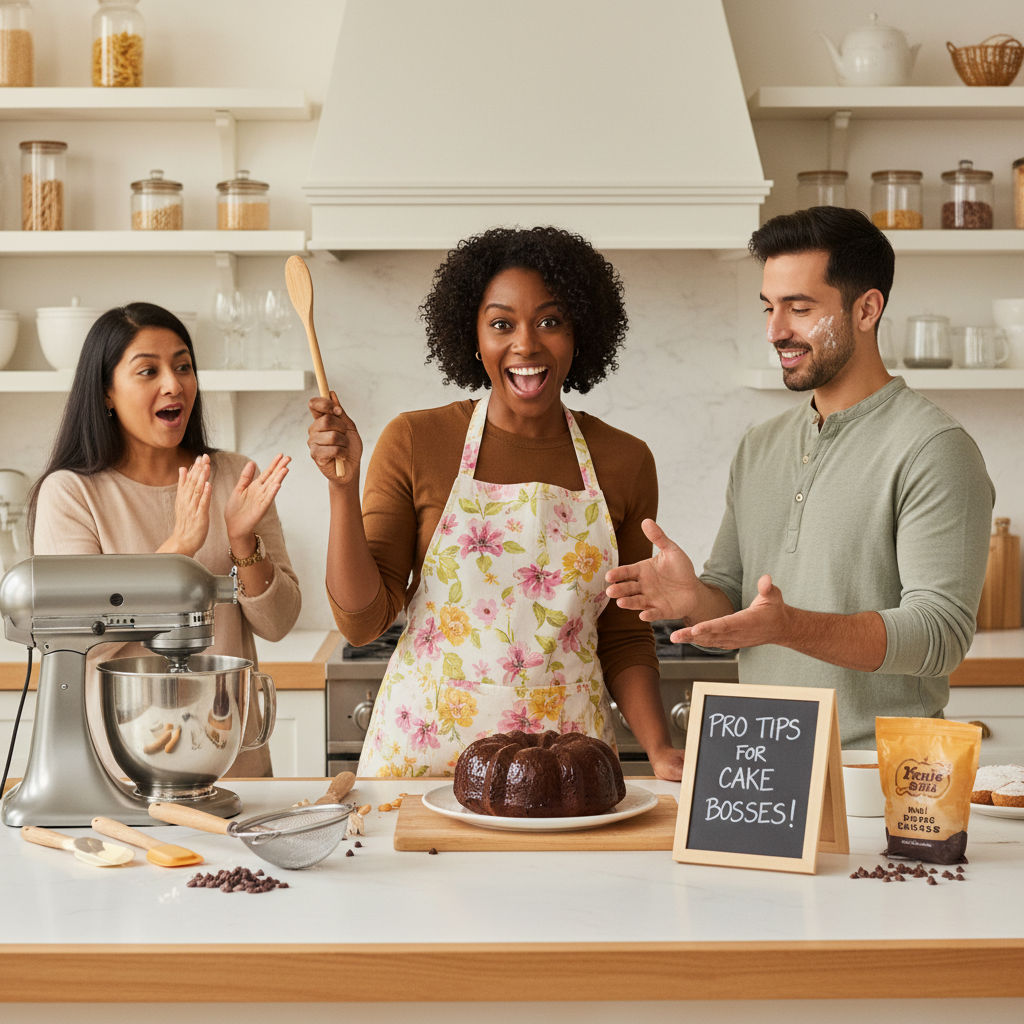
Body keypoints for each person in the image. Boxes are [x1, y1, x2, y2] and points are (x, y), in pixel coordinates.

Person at [606, 207, 995, 749]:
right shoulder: (760, 445)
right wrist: (693, 596)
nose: (775, 330)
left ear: (867, 309)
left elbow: (940, 634)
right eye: (769, 307)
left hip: (875, 775)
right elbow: (738, 601)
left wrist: (791, 627)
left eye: (800, 308)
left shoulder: (933, 449)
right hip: (762, 769)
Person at [308, 226, 683, 780]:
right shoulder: (415, 440)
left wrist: (659, 748)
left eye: (550, 321)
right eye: (501, 323)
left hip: (563, 771)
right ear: (473, 335)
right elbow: (362, 623)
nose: (526, 344)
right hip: (424, 763)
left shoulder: (625, 461)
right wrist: (342, 486)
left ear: (582, 332)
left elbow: (624, 633)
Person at [28, 302, 301, 777]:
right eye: (148, 370)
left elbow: (278, 623)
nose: (173, 384)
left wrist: (241, 541)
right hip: (120, 767)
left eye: (183, 366)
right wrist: (177, 549)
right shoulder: (72, 493)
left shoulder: (235, 476)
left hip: (231, 758)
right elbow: (76, 644)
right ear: (106, 392)